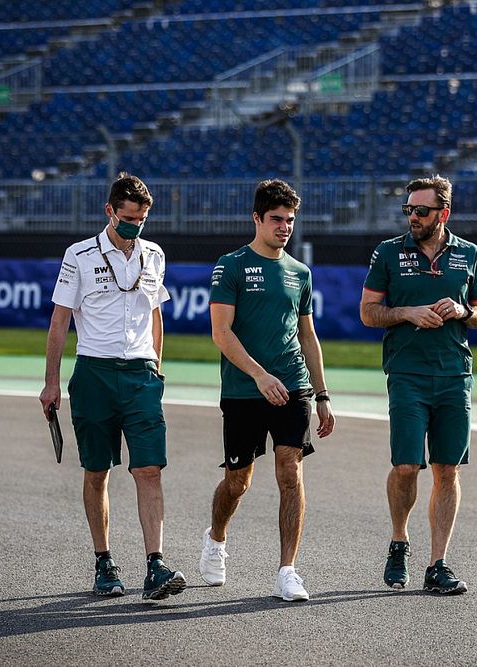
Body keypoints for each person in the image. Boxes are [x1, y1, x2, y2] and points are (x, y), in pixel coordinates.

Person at [39, 172, 186, 602]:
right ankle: (104, 560)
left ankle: (155, 565)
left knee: (149, 468)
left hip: (141, 375)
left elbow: (157, 314)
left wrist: (157, 367)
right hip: (94, 373)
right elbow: (59, 322)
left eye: (141, 220)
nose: (134, 226)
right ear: (110, 211)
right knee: (97, 471)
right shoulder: (79, 255)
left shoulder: (154, 254)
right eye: (127, 219)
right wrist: (51, 383)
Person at [198, 178, 336, 602]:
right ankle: (216, 537)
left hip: (293, 387)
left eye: (290, 220)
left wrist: (322, 394)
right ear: (256, 218)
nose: (284, 227)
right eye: (276, 219)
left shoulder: (300, 272)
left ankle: (287, 571)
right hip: (244, 388)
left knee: (290, 474)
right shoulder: (231, 265)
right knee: (237, 482)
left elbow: (308, 336)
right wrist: (259, 375)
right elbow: (221, 333)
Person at [359, 174, 477, 595]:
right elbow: (368, 312)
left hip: (455, 374)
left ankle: (438, 564)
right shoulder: (388, 252)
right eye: (409, 210)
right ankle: (399, 541)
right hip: (407, 375)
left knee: (447, 468)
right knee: (405, 466)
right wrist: (408, 313)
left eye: (422, 211)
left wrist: (462, 310)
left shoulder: (469, 254)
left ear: (443, 213)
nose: (413, 217)